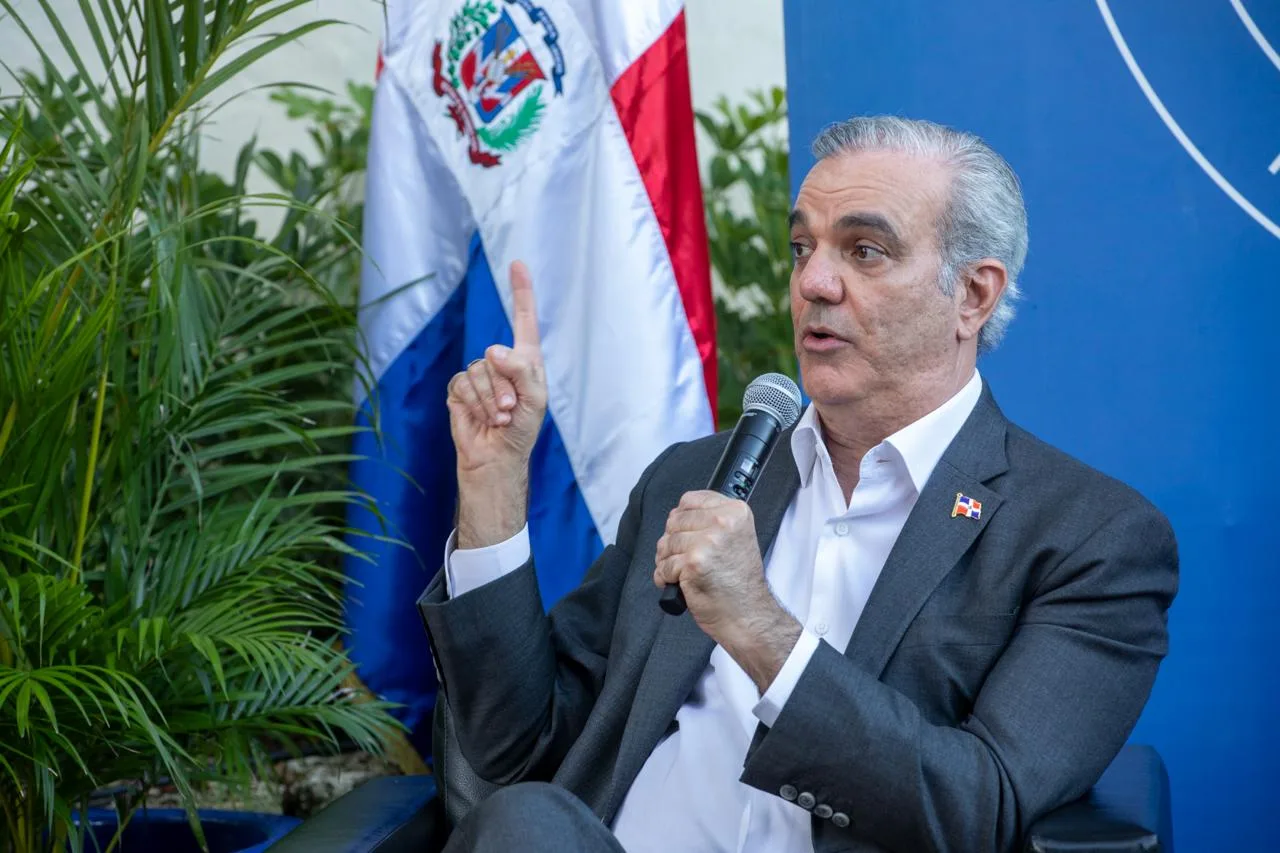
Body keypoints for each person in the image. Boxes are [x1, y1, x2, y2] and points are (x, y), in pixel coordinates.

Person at [418, 116, 1178, 853]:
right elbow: (515, 749)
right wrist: (493, 486)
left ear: (973, 296)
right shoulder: (692, 479)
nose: (813, 281)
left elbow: (980, 810)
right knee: (526, 820)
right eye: (802, 247)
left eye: (865, 251)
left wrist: (760, 630)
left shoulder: (1088, 537)